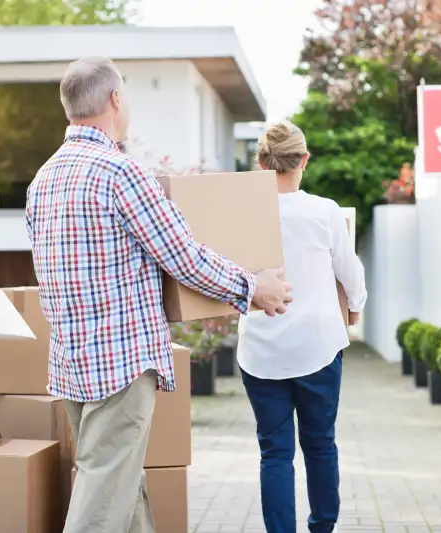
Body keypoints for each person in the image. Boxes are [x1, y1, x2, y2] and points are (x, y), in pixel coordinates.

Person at [25, 57, 294, 533]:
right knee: (104, 493)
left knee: (120, 486)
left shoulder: (42, 180)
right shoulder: (121, 173)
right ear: (114, 99)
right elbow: (183, 257)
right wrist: (254, 288)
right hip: (121, 363)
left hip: (72, 362)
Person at [237, 121, 367, 533]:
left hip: (260, 352)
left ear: (260, 162)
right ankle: (322, 527)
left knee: (274, 453)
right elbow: (351, 273)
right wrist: (356, 308)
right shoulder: (324, 212)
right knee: (320, 444)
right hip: (317, 347)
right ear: (304, 160)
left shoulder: (242, 214)